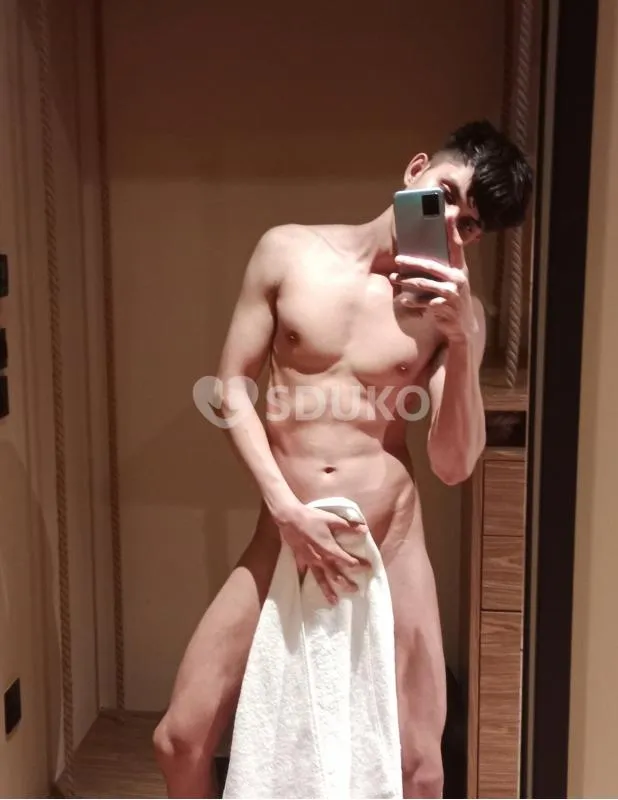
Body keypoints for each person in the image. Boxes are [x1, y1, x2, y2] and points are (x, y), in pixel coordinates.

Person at [153, 120, 533, 799]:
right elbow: (233, 387)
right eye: (446, 195)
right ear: (416, 169)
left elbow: (453, 464)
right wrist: (283, 508)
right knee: (180, 738)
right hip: (283, 528)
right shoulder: (288, 251)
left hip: (388, 539)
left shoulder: (452, 314)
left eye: (471, 223)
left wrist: (463, 341)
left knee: (420, 767)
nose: (451, 222)